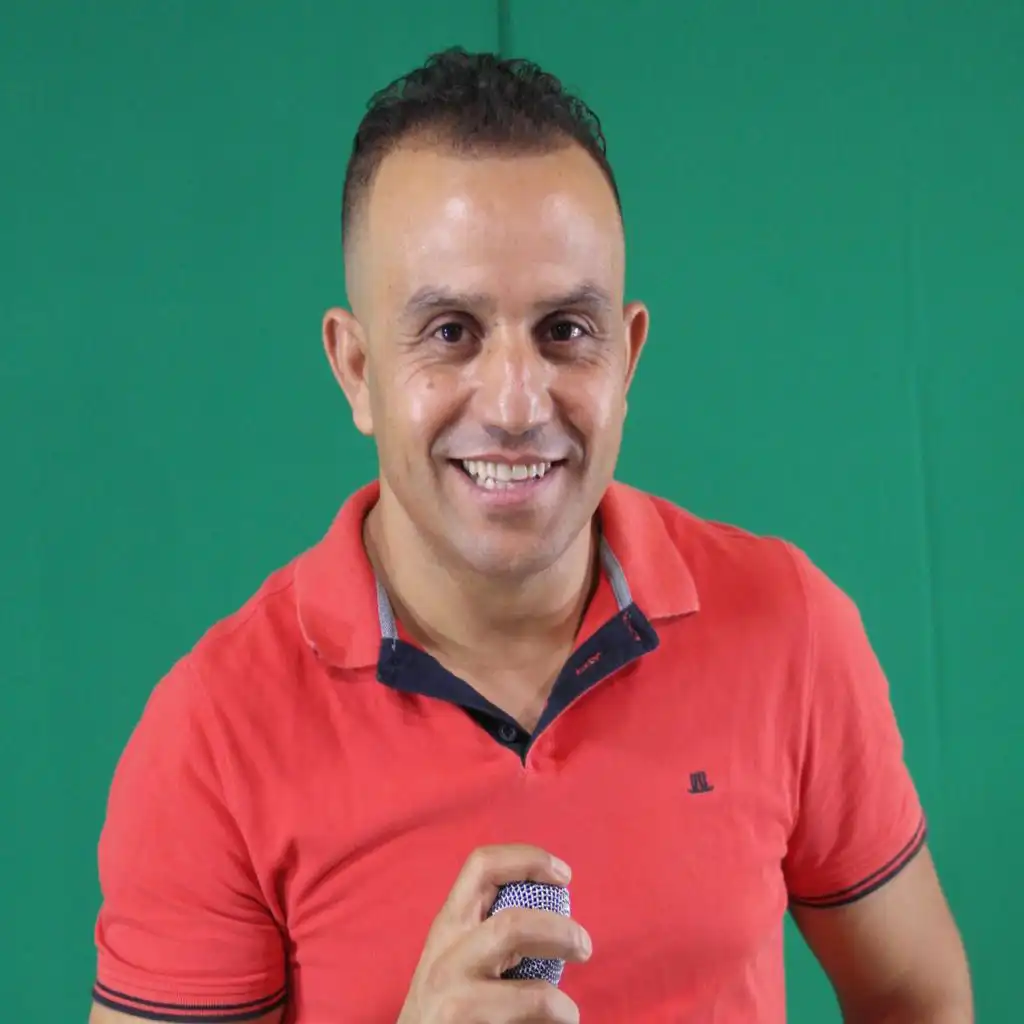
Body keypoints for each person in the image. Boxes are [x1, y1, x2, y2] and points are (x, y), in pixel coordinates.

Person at [88, 48, 973, 1024]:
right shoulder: (212, 739)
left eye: (564, 330)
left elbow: (913, 995)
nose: (516, 405)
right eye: (451, 331)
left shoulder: (789, 627)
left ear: (627, 356)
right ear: (356, 368)